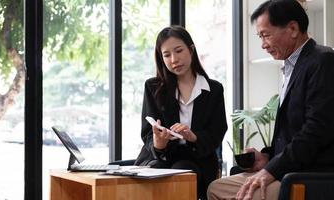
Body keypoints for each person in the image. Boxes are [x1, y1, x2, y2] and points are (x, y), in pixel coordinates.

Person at [207, 0, 334, 199]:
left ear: (292, 28)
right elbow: (292, 132)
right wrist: (267, 157)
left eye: (266, 35)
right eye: (260, 37)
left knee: (244, 194)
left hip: (310, 174)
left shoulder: (322, 60)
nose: (263, 45)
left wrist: (272, 169)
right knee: (216, 188)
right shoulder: (292, 66)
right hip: (288, 170)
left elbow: (316, 131)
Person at [134, 25, 228, 199]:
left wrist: (193, 137)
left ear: (191, 50)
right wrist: (158, 144)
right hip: (160, 158)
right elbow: (147, 133)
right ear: (161, 58)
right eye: (167, 55)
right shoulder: (153, 87)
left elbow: (217, 133)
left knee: (182, 170)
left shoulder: (214, 89)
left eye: (178, 51)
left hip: (197, 161)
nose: (174, 60)